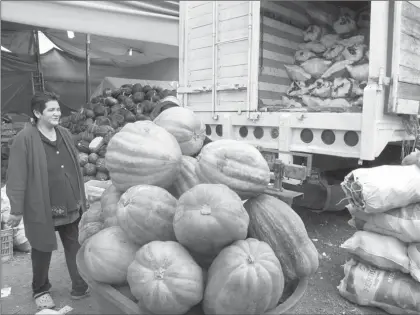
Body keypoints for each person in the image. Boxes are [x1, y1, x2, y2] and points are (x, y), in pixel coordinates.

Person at [6, 91, 89, 310]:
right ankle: (40, 289)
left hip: (69, 202)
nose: (57, 113)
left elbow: (74, 168)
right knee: (41, 248)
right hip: (42, 205)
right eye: (51, 110)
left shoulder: (64, 133)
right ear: (37, 112)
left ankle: (79, 284)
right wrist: (15, 209)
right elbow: (16, 176)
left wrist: (80, 196)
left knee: (74, 243)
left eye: (58, 109)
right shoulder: (24, 139)